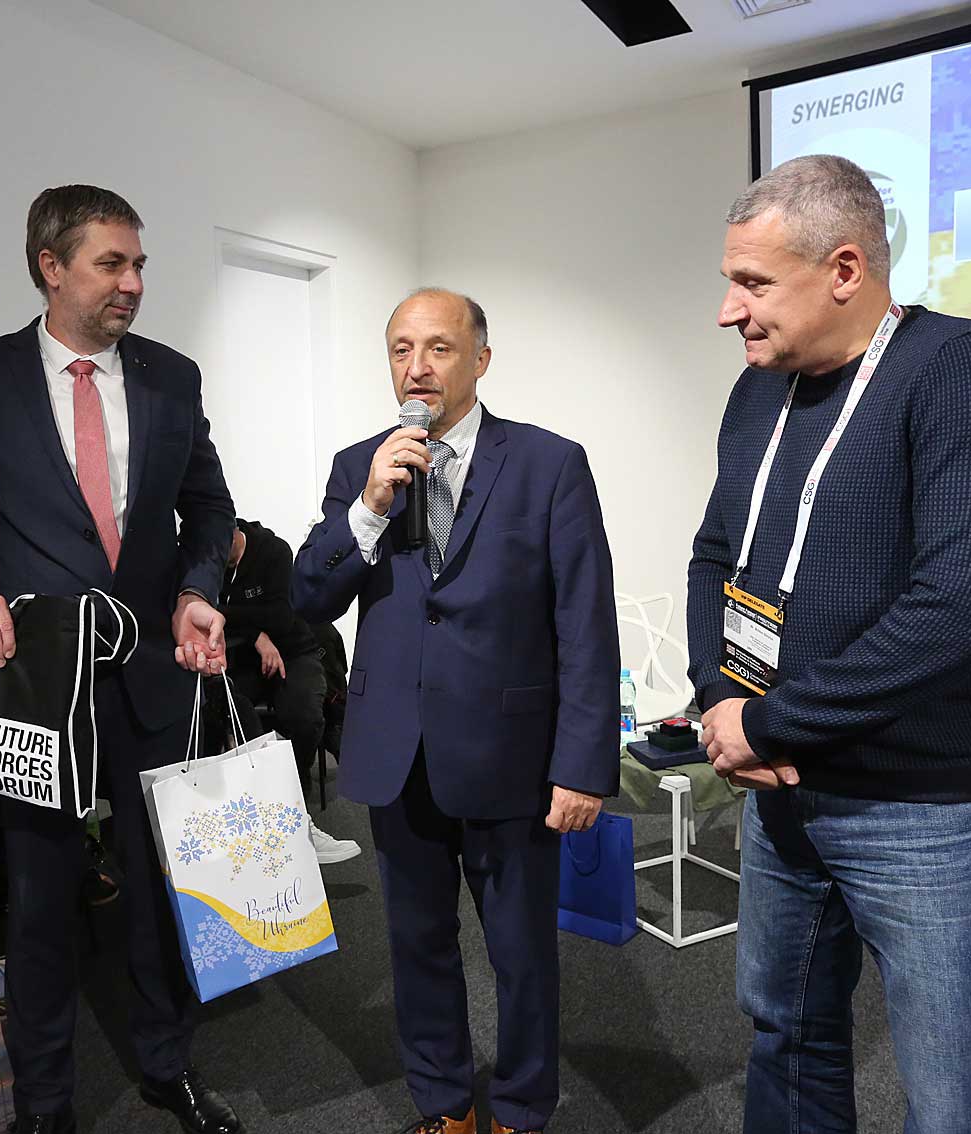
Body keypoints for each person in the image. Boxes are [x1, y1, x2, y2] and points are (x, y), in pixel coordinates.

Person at [688, 154, 971, 1133]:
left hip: (926, 808)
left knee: (958, 1094)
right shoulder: (758, 391)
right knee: (785, 1037)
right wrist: (719, 698)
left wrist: (767, 722)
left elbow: (961, 607)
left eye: (752, 283)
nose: (728, 311)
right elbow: (716, 555)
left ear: (845, 270)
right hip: (781, 788)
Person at [0, 185, 242, 1134]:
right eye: (110, 264)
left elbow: (209, 506)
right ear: (50, 267)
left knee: (160, 886)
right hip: (35, 686)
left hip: (152, 674)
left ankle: (166, 1065)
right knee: (39, 901)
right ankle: (47, 1102)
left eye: (138, 265)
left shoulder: (171, 376)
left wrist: (198, 588)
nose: (132, 283)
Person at [292, 288, 620, 1134]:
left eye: (438, 347)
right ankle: (443, 1105)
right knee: (417, 948)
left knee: (521, 953)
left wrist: (582, 764)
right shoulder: (361, 466)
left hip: (511, 755)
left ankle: (521, 1108)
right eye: (400, 349)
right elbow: (309, 597)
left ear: (480, 358)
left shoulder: (548, 463)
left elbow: (585, 623)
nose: (417, 367)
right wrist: (368, 508)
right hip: (396, 754)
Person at [220, 516, 360, 864]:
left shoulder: (273, 551)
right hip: (242, 657)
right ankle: (267, 811)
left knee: (304, 715)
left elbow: (280, 616)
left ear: (234, 533)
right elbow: (201, 610)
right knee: (228, 711)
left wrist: (229, 616)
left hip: (294, 650)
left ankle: (297, 807)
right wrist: (256, 634)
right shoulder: (204, 560)